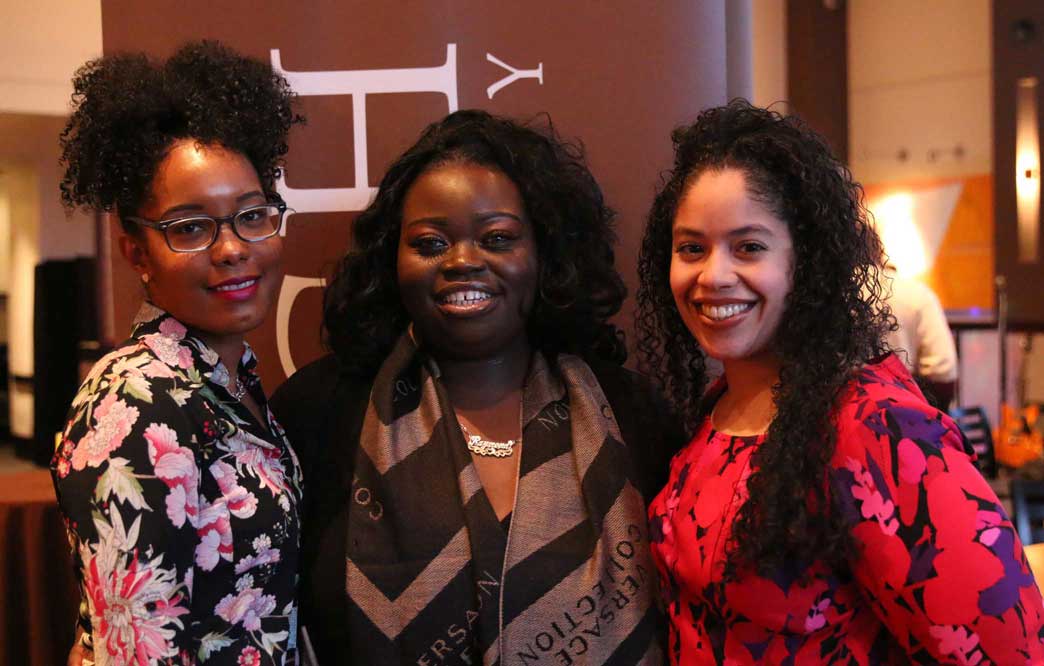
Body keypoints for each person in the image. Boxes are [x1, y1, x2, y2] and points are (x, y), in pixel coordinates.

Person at [636, 100, 1044, 664]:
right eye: (691, 248)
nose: (714, 274)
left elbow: (1008, 649)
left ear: (807, 265)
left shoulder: (874, 426)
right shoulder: (715, 412)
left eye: (749, 247)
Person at [271, 109, 680, 665]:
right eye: (431, 243)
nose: (462, 261)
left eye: (497, 238)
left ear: (544, 253)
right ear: (392, 259)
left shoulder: (632, 413)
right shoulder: (319, 411)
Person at [51, 42, 305, 665]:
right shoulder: (135, 401)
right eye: (190, 227)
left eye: (251, 215)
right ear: (137, 254)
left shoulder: (226, 379)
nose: (232, 248)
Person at [884, 267, 958, 409]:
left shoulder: (841, 290)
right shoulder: (915, 294)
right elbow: (942, 371)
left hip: (847, 411)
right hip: (907, 410)